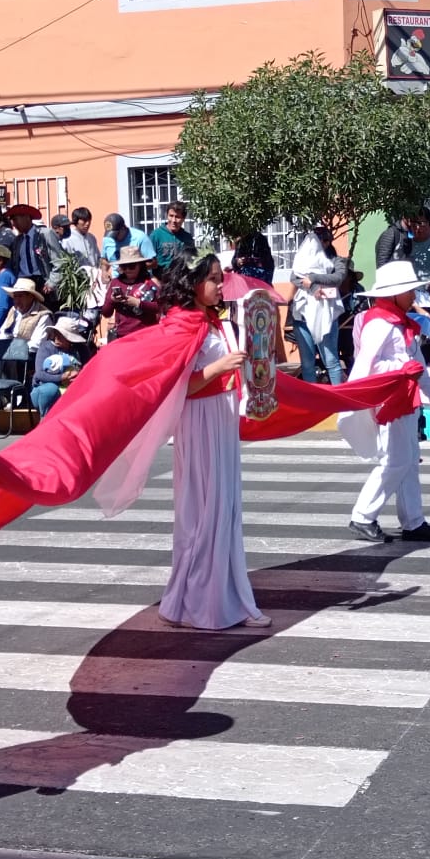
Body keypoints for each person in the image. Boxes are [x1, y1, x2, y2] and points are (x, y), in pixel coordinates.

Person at [156, 254, 270, 630]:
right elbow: (178, 385)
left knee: (222, 508)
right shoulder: (180, 325)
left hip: (220, 418)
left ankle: (217, 597)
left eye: (222, 279)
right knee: (204, 510)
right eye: (214, 279)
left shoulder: (213, 322)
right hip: (198, 420)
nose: (221, 286)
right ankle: (201, 602)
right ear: (193, 284)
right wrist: (219, 368)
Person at [341, 260, 430, 544]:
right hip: (390, 400)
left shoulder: (399, 323)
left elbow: (418, 365)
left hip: (405, 398)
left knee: (409, 461)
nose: (414, 296)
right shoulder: (380, 323)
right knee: (396, 461)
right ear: (393, 294)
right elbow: (366, 366)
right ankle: (363, 516)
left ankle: (413, 521)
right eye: (409, 291)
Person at [289, 226, 347, 386]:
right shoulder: (302, 261)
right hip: (302, 317)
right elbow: (295, 277)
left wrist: (313, 278)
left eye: (320, 241)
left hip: (326, 315)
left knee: (331, 361)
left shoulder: (337, 260)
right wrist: (314, 288)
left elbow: (337, 278)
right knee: (308, 364)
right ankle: (313, 401)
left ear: (327, 243)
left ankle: (338, 400)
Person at [99, 246, 160, 340]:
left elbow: (161, 307)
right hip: (122, 336)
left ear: (140, 265)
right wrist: (112, 300)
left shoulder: (148, 283)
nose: (127, 270)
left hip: (146, 335)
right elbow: (106, 313)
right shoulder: (116, 282)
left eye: (131, 266)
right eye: (124, 267)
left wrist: (138, 303)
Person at [29, 319, 84, 416]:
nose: (57, 337)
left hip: (72, 387)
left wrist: (78, 376)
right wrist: (61, 378)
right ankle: (46, 424)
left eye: (62, 334)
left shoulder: (81, 349)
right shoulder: (45, 347)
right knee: (50, 389)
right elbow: (40, 374)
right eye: (56, 333)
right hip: (43, 389)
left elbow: (88, 368)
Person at [0, 278, 53, 351]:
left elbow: (36, 344)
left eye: (20, 296)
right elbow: (4, 334)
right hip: (10, 353)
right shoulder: (14, 311)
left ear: (31, 297)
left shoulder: (43, 315)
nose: (16, 301)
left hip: (30, 357)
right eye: (15, 296)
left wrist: (11, 350)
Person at [6, 204, 48, 287]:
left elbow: (57, 260)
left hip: (42, 282)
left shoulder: (44, 235)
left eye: (15, 220)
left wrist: (52, 282)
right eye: (12, 221)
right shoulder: (17, 241)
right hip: (23, 281)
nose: (14, 224)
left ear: (27, 218)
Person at [150, 203, 197, 268]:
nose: (173, 220)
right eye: (171, 216)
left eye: (177, 217)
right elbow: (149, 262)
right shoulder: (156, 236)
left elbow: (193, 261)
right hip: (161, 276)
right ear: (167, 216)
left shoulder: (187, 238)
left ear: (183, 219)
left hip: (182, 276)